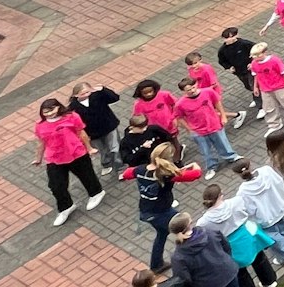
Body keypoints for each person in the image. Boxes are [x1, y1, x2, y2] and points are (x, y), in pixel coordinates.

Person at [120, 143, 201, 272]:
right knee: (185, 229)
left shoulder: (140, 169)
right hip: (162, 212)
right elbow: (195, 174)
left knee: (162, 234)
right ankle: (194, 261)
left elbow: (127, 173)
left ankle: (156, 264)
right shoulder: (165, 174)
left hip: (146, 211)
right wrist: (195, 166)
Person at [33, 98, 104, 226]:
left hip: (76, 153)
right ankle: (66, 207)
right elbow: (41, 142)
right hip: (55, 157)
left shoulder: (71, 117)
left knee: (87, 176)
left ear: (58, 107)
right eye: (45, 112)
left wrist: (89, 148)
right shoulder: (40, 125)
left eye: (51, 110)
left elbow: (81, 133)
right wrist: (38, 158)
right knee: (56, 185)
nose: (49, 114)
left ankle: (96, 193)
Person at [232, 157, 284, 264]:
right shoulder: (266, 171)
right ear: (251, 165)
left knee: (275, 238)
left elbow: (249, 209)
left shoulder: (243, 191)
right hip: (279, 209)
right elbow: (279, 182)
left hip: (265, 219)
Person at [173, 73, 237, 177]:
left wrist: (223, 116)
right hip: (198, 131)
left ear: (197, 84)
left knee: (223, 143)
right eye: (188, 90)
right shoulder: (180, 104)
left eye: (193, 87)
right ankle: (212, 167)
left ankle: (231, 157)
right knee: (205, 150)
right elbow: (178, 117)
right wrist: (189, 129)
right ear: (183, 91)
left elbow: (217, 102)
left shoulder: (208, 92)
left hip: (214, 124)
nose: (192, 91)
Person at [68, 82, 126, 171]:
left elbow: (115, 98)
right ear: (76, 95)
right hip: (92, 133)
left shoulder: (98, 95)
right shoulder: (73, 107)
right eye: (82, 94)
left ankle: (119, 166)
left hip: (109, 126)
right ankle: (107, 164)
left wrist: (103, 89)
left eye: (88, 92)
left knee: (114, 147)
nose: (86, 95)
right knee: (102, 150)